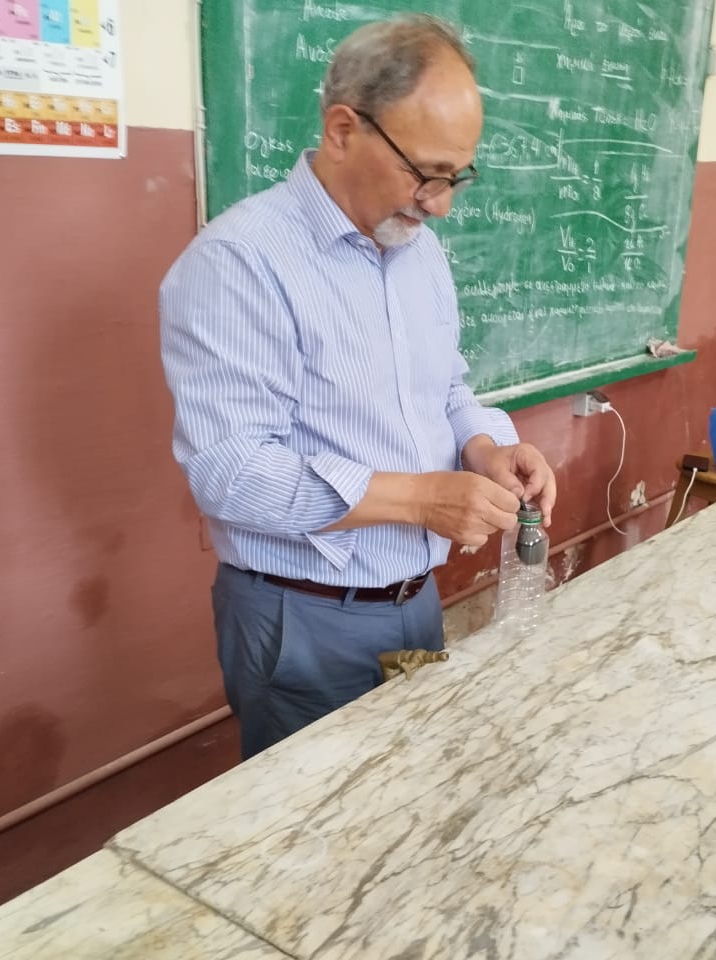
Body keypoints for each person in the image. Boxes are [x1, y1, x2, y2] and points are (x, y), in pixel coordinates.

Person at [159, 14, 556, 760]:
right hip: (303, 618)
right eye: (425, 173)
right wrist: (422, 499)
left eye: (457, 177)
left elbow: (446, 389)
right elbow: (231, 473)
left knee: (410, 799)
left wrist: (486, 448)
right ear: (343, 130)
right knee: (312, 823)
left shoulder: (417, 252)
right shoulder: (240, 263)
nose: (440, 203)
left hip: (415, 599)